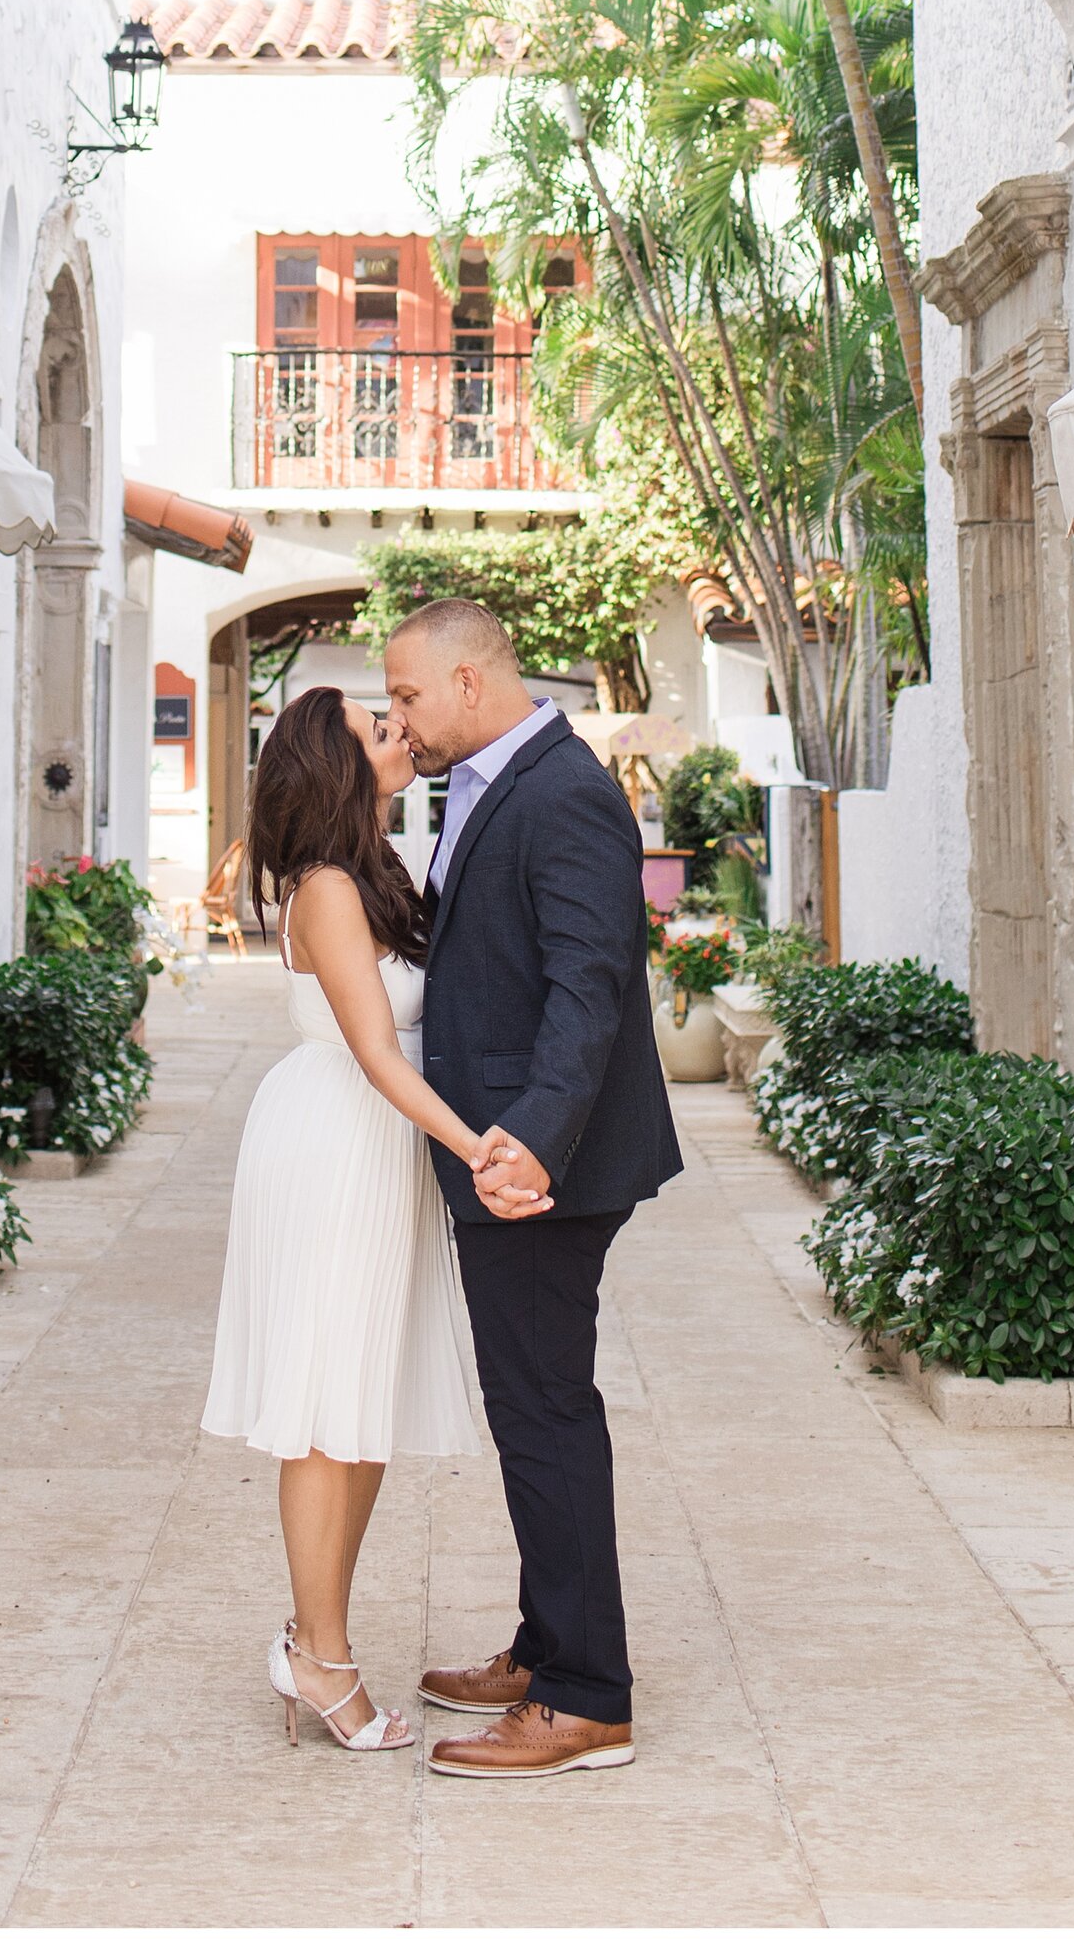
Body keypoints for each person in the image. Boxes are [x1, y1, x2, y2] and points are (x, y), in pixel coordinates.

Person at [199, 680, 532, 1751]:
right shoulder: (329, 887)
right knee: (322, 1414)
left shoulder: (376, 868)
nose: (399, 730)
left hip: (375, 1145)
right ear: (333, 768)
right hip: (335, 1143)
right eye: (373, 729)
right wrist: (476, 1143)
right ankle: (322, 1660)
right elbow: (378, 1053)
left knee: (365, 1411)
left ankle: (312, 1637)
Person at [384, 595, 681, 1780]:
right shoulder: (483, 781)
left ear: (469, 682)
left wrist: (532, 1144)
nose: (397, 720)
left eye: (406, 695)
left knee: (545, 1408)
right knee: (528, 1405)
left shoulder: (563, 793)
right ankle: (543, 1642)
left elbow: (590, 984)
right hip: (506, 1149)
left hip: (533, 1164)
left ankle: (582, 1696)